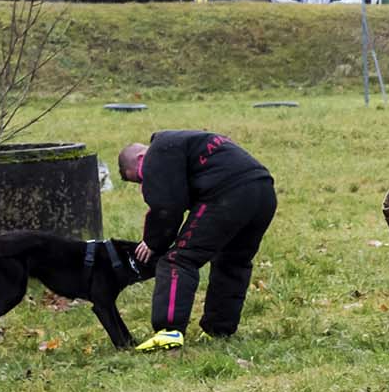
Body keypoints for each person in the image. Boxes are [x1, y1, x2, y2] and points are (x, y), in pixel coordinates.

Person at [117, 131, 276, 352]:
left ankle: (168, 330)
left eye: (140, 178)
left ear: (141, 158)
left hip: (228, 194)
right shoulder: (186, 143)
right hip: (263, 190)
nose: (145, 183)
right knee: (232, 261)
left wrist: (154, 242)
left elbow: (167, 207)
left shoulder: (158, 151)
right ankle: (219, 331)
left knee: (177, 260)